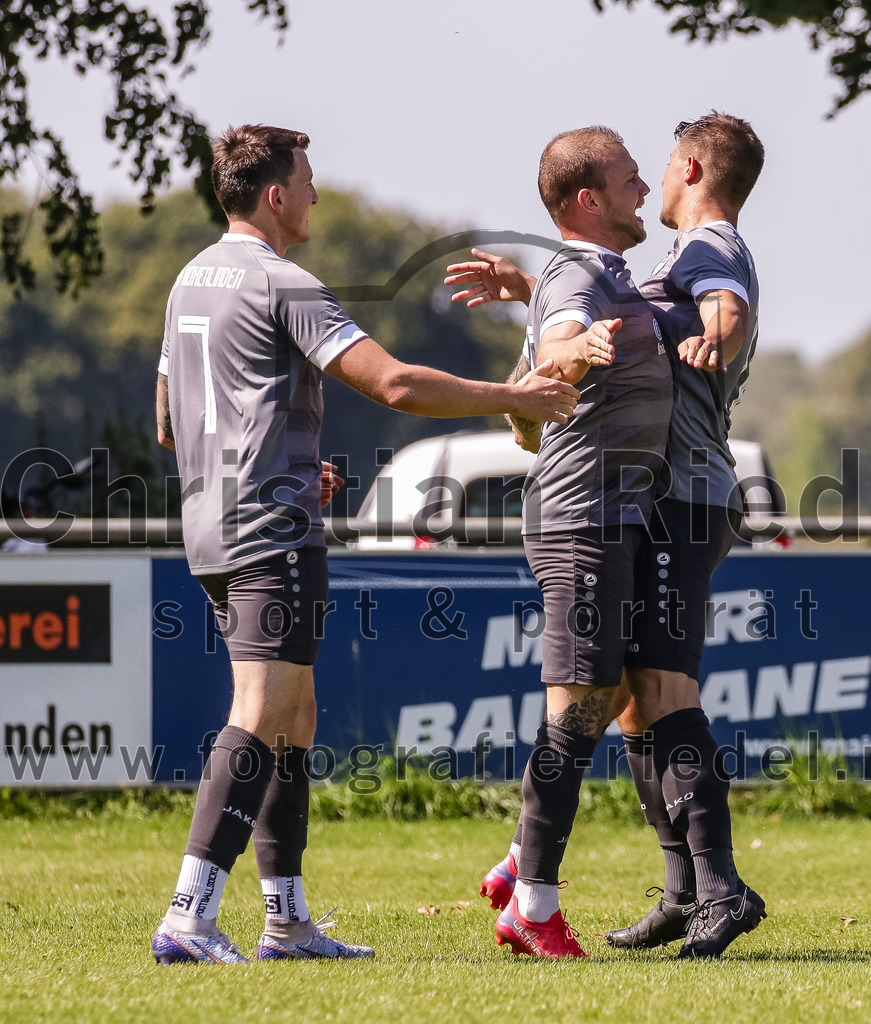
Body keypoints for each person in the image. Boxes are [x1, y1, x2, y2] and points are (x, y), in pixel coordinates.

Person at [151, 123, 586, 965]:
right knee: (262, 712)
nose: (315, 194)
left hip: (214, 523)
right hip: (266, 528)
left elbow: (170, 421)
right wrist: (515, 394)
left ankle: (287, 921)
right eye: (307, 181)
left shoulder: (186, 281)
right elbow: (391, 381)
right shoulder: (285, 281)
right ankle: (189, 914)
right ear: (275, 196)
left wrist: (264, 454)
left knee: (295, 717)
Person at [446, 112, 766, 959]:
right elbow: (579, 319)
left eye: (656, 168)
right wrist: (542, 298)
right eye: (628, 173)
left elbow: (722, 310)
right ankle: (679, 888)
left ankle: (709, 888)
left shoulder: (709, 251)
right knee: (625, 703)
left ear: (692, 170)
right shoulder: (642, 267)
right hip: (645, 502)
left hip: (679, 498)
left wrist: (714, 338)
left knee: (651, 697)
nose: (646, 183)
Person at [468, 125, 673, 958]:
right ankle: (534, 905)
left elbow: (528, 392)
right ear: (589, 200)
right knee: (580, 705)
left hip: (602, 515)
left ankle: (523, 861)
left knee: (611, 689)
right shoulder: (581, 277)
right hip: (582, 519)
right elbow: (556, 346)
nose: (645, 192)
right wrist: (572, 351)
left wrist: (538, 303)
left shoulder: (583, 272)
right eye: (631, 180)